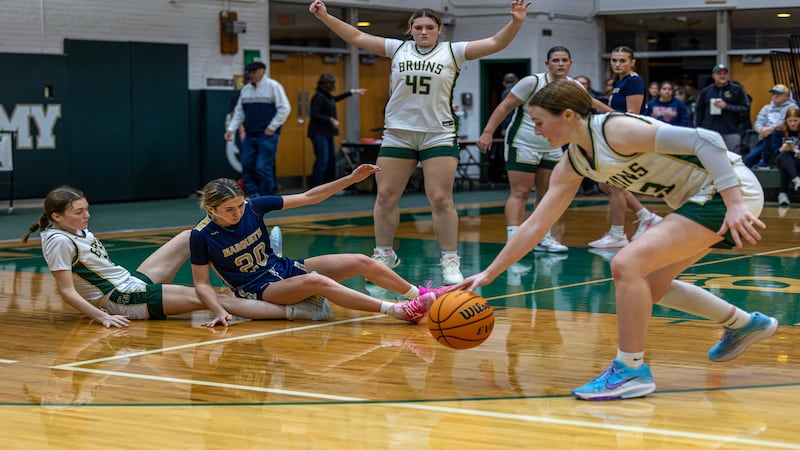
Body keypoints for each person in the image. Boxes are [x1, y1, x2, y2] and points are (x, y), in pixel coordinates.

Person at [454, 79, 778, 401]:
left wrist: (735, 203)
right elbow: (537, 223)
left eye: (539, 122)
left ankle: (630, 369)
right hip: (699, 201)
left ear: (567, 115)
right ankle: (744, 324)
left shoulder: (615, 130)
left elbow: (707, 139)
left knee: (627, 263)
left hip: (727, 193)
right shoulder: (574, 161)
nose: (537, 131)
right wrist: (489, 273)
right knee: (651, 286)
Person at [310, 0, 531, 284]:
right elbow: (356, 36)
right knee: (386, 195)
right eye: (418, 27)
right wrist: (326, 17)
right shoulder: (397, 49)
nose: (424, 32)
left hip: (437, 133)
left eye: (429, 27)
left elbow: (495, 43)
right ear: (410, 31)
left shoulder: (453, 51)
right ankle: (385, 253)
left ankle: (450, 259)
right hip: (398, 133)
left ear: (439, 30)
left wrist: (516, 21)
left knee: (440, 198)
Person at [190, 164, 449, 328]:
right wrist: (218, 310)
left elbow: (309, 196)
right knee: (317, 281)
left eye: (240, 205)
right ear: (211, 210)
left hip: (281, 268)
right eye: (229, 209)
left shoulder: (253, 207)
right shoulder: (201, 235)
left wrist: (350, 178)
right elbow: (201, 283)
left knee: (361, 260)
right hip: (258, 288)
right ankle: (397, 310)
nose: (238, 212)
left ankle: (419, 296)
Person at [22, 187, 304, 328]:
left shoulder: (69, 228)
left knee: (187, 236)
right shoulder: (58, 240)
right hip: (119, 299)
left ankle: (252, 265)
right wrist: (102, 317)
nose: (87, 216)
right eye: (79, 212)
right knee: (212, 297)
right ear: (57, 217)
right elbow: (66, 292)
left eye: (86, 209)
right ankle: (297, 310)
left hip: (129, 282)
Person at [476, 46, 592, 254]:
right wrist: (488, 132)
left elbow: (583, 116)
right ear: (547, 64)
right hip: (523, 143)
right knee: (520, 192)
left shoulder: (575, 87)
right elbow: (505, 107)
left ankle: (542, 237)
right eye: (555, 60)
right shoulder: (532, 82)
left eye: (564, 60)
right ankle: (514, 239)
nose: (560, 64)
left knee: (547, 194)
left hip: (553, 146)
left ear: (570, 63)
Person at [590, 46, 662, 249]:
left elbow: (631, 115)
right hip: (618, 138)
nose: (617, 64)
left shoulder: (634, 81)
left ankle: (618, 233)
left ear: (632, 62)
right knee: (607, 185)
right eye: (614, 60)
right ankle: (646, 217)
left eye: (622, 60)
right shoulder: (619, 82)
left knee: (613, 185)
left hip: (630, 138)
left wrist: (596, 104)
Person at [225, 61, 291, 197]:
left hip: (266, 135)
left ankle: (267, 196)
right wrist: (231, 129)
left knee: (262, 167)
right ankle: (254, 194)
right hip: (250, 134)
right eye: (250, 72)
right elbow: (239, 112)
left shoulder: (273, 86)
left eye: (254, 72)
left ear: (263, 71)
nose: (252, 75)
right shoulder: (246, 90)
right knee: (247, 164)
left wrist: (272, 127)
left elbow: (285, 108)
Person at [308, 73, 367, 187]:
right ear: (328, 84)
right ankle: (315, 186)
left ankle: (328, 186)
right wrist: (330, 119)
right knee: (323, 161)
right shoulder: (318, 97)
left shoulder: (326, 96)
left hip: (327, 133)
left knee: (331, 160)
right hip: (319, 133)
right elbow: (314, 114)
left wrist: (352, 92)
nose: (335, 84)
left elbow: (336, 99)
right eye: (334, 83)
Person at [694, 63, 751, 154]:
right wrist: (699, 128)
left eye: (724, 73)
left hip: (732, 130)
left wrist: (726, 106)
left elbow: (745, 107)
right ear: (713, 76)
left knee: (733, 158)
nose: (722, 76)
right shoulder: (706, 91)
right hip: (710, 131)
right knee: (710, 157)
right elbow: (699, 110)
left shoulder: (737, 89)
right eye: (719, 74)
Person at [743, 84, 798, 169]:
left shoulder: (792, 107)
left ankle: (765, 161)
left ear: (786, 96)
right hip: (765, 137)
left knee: (772, 133)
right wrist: (761, 129)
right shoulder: (766, 108)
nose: (775, 96)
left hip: (783, 137)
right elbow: (758, 122)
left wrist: (771, 128)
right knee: (748, 159)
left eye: (778, 94)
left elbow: (787, 122)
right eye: (773, 94)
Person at [773, 108, 800, 208]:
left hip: (798, 161)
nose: (793, 124)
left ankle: (782, 194)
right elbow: (776, 153)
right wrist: (782, 149)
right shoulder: (778, 132)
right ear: (786, 121)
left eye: (796, 120)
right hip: (782, 159)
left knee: (786, 166)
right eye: (790, 121)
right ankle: (796, 179)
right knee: (784, 156)